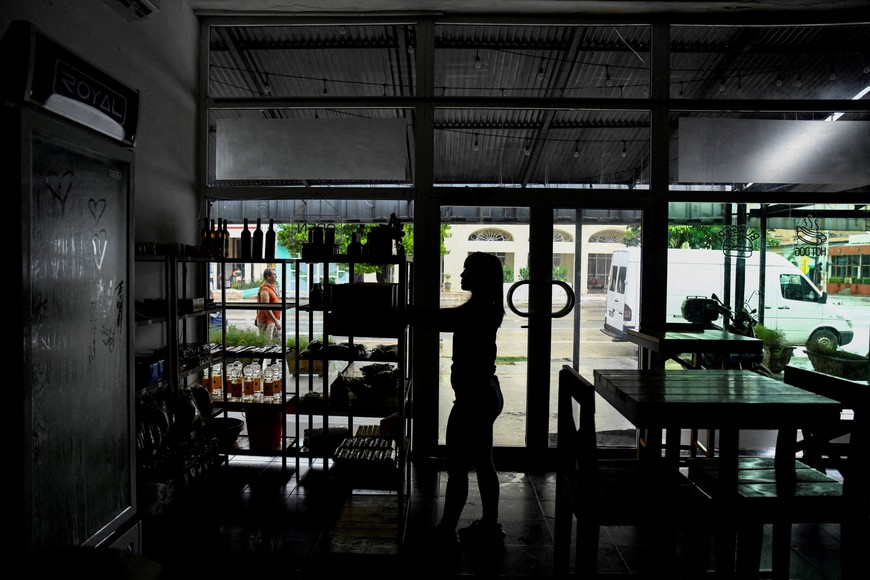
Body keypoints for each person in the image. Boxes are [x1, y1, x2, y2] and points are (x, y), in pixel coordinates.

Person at [408, 252, 506, 547]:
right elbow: (447, 318)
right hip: (486, 392)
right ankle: (489, 524)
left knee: (458, 468)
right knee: (483, 462)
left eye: (467, 271)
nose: (461, 276)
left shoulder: (477, 310)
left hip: (473, 398)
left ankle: (446, 529)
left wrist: (405, 310)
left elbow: (441, 319)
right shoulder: (488, 305)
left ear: (481, 277)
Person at [255, 268, 282, 343]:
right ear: (268, 276)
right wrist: (276, 321)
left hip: (274, 320)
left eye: (276, 275)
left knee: (279, 342)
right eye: (274, 275)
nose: (276, 276)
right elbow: (266, 308)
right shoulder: (264, 289)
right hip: (266, 322)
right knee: (266, 344)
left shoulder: (273, 286)